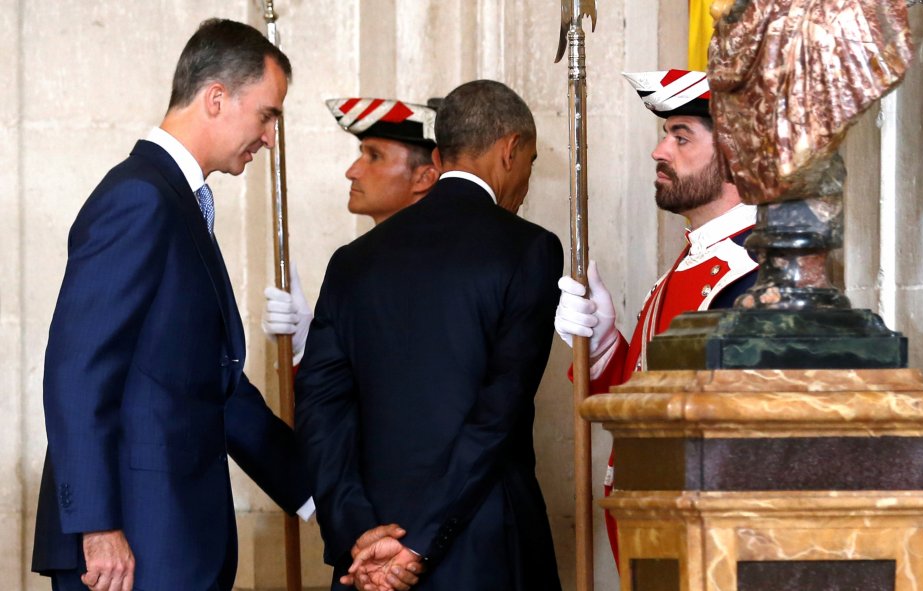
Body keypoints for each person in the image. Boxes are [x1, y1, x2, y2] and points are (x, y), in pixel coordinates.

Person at [31, 19, 314, 591]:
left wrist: (320, 494)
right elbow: (76, 370)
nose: (269, 138)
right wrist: (97, 526)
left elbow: (217, 391)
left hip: (172, 542)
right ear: (216, 98)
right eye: (267, 115)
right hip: (128, 549)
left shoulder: (179, 201)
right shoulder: (140, 198)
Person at [295, 79, 563, 591]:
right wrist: (417, 543)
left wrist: (360, 535)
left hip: (367, 553)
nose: (526, 177)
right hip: (482, 546)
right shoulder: (529, 249)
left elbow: (319, 408)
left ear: (438, 156)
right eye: (529, 161)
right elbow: (497, 415)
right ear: (511, 150)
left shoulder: (353, 261)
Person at [553, 68, 759, 563]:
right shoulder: (695, 260)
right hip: (653, 532)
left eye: (681, 136)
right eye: (665, 134)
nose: (660, 151)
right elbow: (643, 402)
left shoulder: (750, 272)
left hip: (703, 541)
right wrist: (603, 347)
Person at [261, 98, 441, 364]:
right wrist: (306, 345)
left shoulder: (438, 269)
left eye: (374, 156)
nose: (352, 171)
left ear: (424, 177)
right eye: (361, 153)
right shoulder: (358, 265)